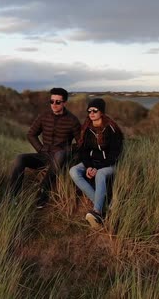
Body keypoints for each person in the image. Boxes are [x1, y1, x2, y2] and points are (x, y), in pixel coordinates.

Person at [10, 87, 81, 207]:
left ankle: (43, 190)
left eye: (58, 102)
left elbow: (81, 142)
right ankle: (13, 197)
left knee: (60, 155)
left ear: (64, 103)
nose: (54, 104)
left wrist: (67, 149)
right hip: (43, 155)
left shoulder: (72, 120)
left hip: (60, 159)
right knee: (19, 159)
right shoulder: (44, 116)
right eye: (51, 101)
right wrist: (40, 149)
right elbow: (31, 134)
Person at [69, 98, 124, 229]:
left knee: (100, 174)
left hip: (109, 165)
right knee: (73, 171)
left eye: (95, 110)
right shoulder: (87, 129)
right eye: (89, 111)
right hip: (92, 163)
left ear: (102, 112)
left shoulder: (111, 128)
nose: (91, 113)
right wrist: (88, 167)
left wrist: (95, 168)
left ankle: (97, 212)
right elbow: (83, 151)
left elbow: (115, 155)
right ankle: (102, 206)